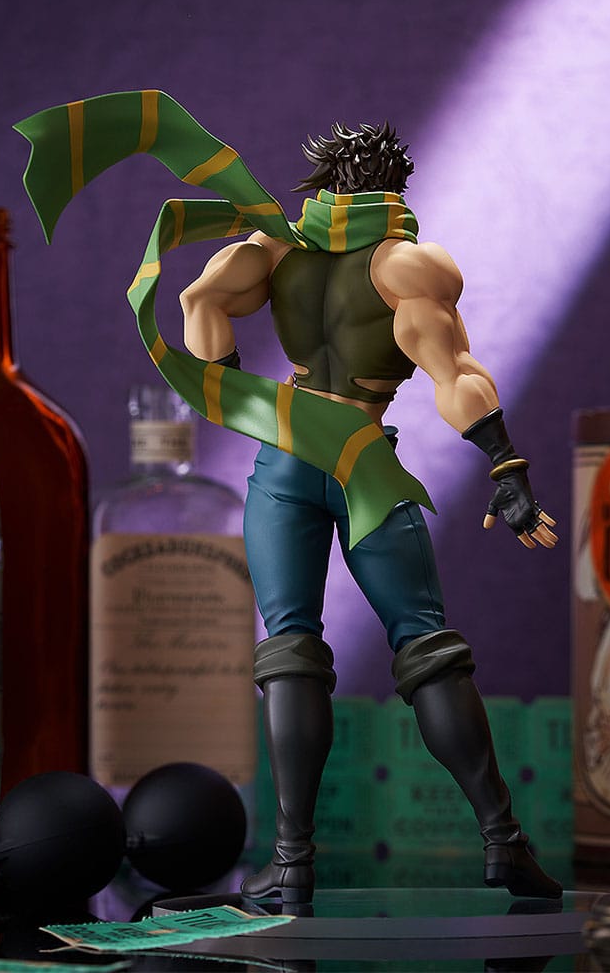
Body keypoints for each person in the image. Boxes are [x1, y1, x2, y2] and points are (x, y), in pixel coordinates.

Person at [179, 122, 562, 904]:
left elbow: (199, 299)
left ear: (325, 181)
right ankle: (503, 843)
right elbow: (453, 372)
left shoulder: (276, 248)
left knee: (289, 648)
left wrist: (233, 393)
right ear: (396, 185)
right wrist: (505, 465)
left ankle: (292, 861)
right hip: (359, 458)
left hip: (287, 455)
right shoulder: (404, 264)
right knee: (427, 648)